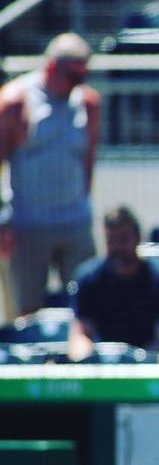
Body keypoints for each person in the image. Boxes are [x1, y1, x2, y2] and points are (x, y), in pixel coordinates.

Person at [0, 33, 98, 316]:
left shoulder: (88, 103)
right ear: (52, 67)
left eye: (83, 77)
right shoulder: (15, 101)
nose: (77, 84)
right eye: (73, 77)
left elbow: (88, 162)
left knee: (87, 309)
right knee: (25, 316)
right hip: (28, 226)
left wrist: (84, 206)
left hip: (75, 223)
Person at [67, 207, 159, 362]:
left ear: (137, 238)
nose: (117, 247)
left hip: (148, 360)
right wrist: (86, 361)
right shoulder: (88, 278)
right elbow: (80, 334)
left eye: (124, 239)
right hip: (105, 363)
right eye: (111, 240)